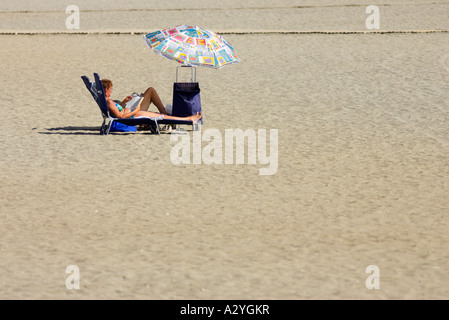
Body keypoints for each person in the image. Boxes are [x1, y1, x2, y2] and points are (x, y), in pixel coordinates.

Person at [101, 79, 201, 123]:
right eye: (110, 89)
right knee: (163, 116)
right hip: (133, 115)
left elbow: (118, 112)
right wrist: (135, 111)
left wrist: (123, 102)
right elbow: (121, 117)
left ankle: (182, 117)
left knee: (151, 91)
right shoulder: (109, 102)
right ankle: (189, 119)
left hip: (132, 111)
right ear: (106, 90)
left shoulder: (107, 101)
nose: (111, 91)